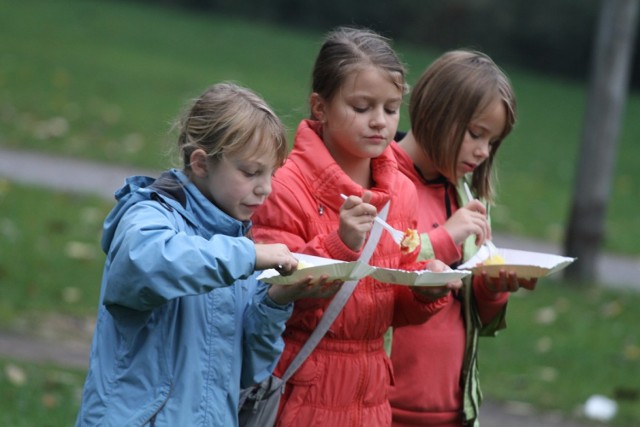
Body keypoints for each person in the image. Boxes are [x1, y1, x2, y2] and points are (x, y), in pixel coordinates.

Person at [75, 82, 342, 426]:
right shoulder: (148, 216)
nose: (265, 188)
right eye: (250, 172)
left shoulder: (235, 240)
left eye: (271, 174)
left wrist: (277, 300)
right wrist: (248, 256)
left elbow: (250, 369)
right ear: (201, 164)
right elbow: (145, 265)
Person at [251, 27, 461, 426]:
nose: (379, 122)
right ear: (320, 107)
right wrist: (339, 244)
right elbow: (271, 304)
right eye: (362, 107)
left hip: (372, 399)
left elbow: (390, 308)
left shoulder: (401, 190)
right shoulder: (284, 186)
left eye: (391, 108)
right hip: (302, 392)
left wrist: (425, 291)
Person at [388, 50, 538, 427]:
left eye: (493, 142)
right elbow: (377, 273)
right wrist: (444, 236)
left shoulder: (465, 196)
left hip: (453, 409)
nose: (483, 152)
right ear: (437, 112)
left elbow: (478, 320)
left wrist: (492, 289)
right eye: (476, 134)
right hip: (380, 407)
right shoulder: (381, 177)